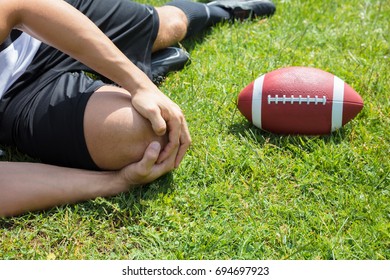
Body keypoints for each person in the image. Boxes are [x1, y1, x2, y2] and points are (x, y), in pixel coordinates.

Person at [0, 0, 275, 217]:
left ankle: (214, 10)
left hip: (39, 27)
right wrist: (117, 182)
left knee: (172, 25)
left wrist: (140, 85)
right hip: (14, 98)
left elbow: (25, 5)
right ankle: (137, 67)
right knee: (151, 136)